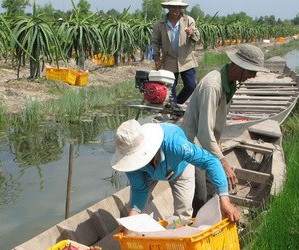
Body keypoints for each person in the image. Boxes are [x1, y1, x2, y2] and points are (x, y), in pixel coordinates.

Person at [180, 44, 269, 212]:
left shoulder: (230, 83)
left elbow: (214, 125)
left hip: (208, 145)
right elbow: (205, 132)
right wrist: (224, 163)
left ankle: (210, 221)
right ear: (240, 67)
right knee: (200, 195)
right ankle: (198, 227)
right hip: (194, 145)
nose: (253, 76)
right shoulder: (212, 86)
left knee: (214, 189)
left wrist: (218, 147)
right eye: (251, 71)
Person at [111, 119, 240, 223]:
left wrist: (225, 201)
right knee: (135, 214)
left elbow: (211, 162)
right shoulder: (132, 164)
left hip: (179, 166)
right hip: (148, 172)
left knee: (183, 213)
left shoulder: (176, 145)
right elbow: (139, 189)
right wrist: (132, 217)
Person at [152, 0, 200, 105]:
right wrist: (156, 58)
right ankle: (172, 108)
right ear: (168, 8)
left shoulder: (188, 20)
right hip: (169, 60)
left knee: (191, 85)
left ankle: (177, 103)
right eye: (174, 7)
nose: (176, 10)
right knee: (170, 89)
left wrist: (192, 33)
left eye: (178, 7)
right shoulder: (159, 24)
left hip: (186, 59)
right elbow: (155, 42)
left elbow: (197, 38)